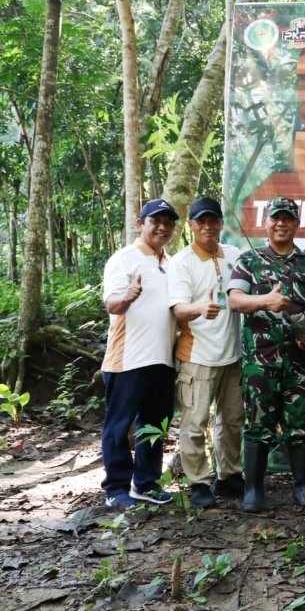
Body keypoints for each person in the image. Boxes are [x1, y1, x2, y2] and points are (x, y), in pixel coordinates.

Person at [228, 196, 305, 513]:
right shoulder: (249, 260)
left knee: (300, 425)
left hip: (300, 361)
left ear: (296, 223)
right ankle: (254, 491)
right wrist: (264, 302)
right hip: (260, 360)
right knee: (258, 424)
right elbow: (234, 300)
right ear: (267, 222)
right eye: (276, 218)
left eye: (288, 218)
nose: (281, 223)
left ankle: (302, 490)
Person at [100, 199, 181, 509]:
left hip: (162, 358)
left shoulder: (171, 263)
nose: (162, 227)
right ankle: (116, 488)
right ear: (140, 223)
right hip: (128, 358)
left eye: (169, 222)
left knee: (153, 424)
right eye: (155, 220)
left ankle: (145, 483)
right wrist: (128, 296)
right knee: (119, 425)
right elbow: (112, 304)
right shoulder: (124, 259)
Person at [168, 197, 244, 509]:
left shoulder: (235, 255)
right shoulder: (182, 262)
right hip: (197, 356)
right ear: (191, 225)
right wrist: (200, 307)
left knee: (233, 420)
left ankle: (229, 475)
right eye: (201, 221)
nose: (208, 227)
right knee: (195, 423)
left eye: (213, 220)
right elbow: (178, 308)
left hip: (232, 355)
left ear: (221, 223)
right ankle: (198, 481)